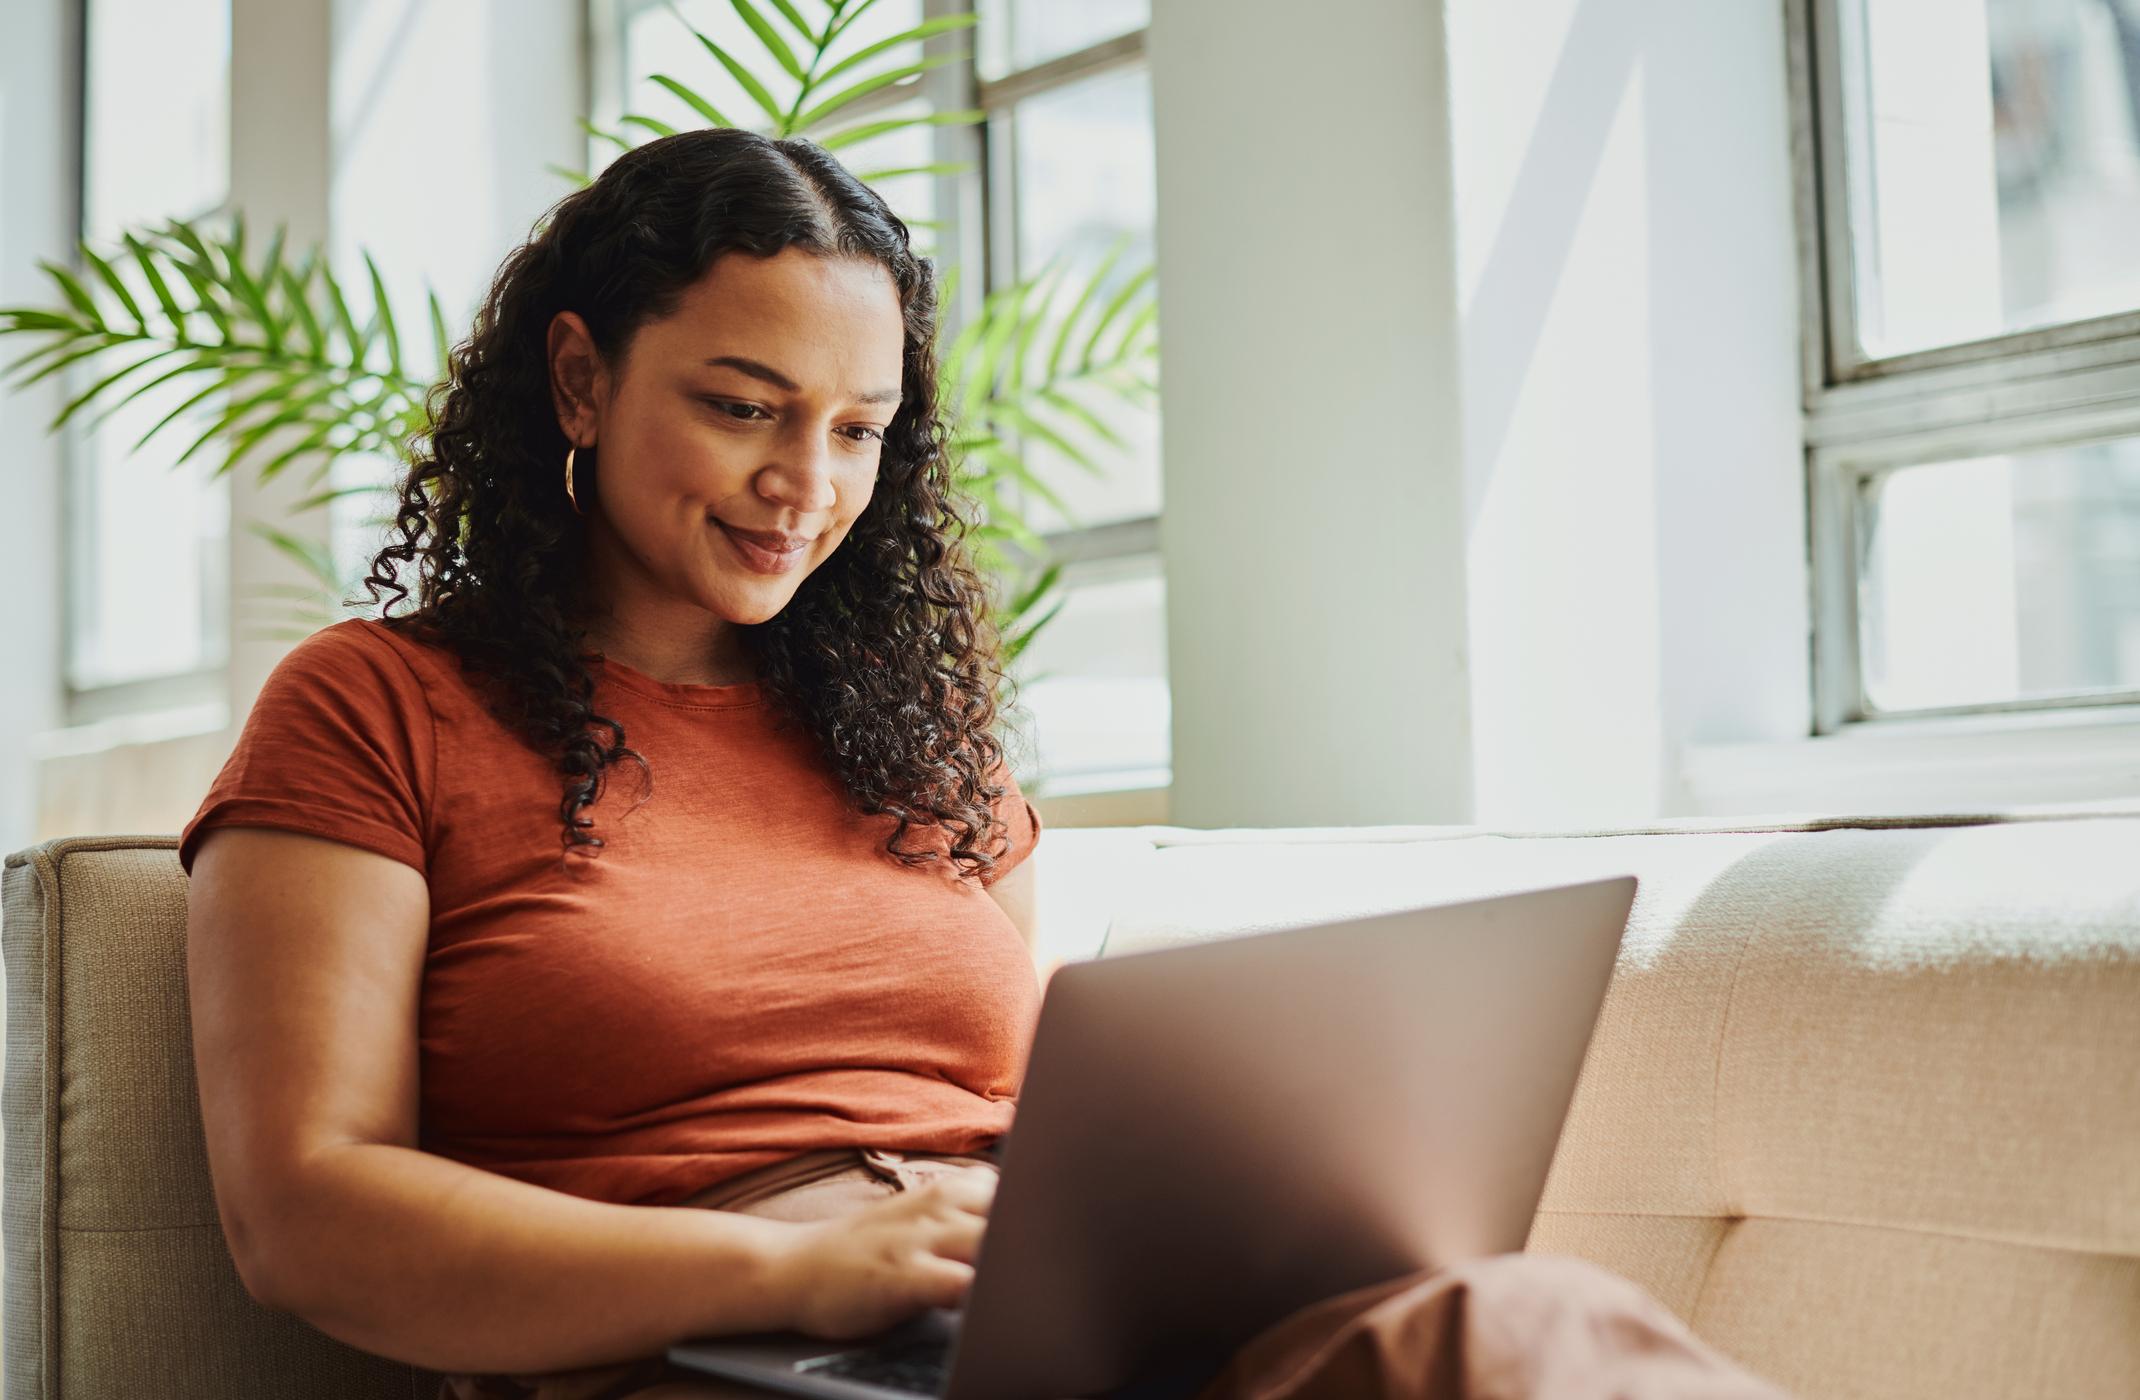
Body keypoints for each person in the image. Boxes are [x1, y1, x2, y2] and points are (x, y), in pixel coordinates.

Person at [180, 126, 1791, 1400]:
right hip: (713, 1353)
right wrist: (800, 1276)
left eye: (859, 429)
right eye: (745, 407)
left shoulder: (910, 736)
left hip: (1023, 1328)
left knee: (1530, 1334)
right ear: (582, 379)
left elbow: (1037, 1111)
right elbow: (305, 1215)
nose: (803, 484)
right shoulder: (373, 708)